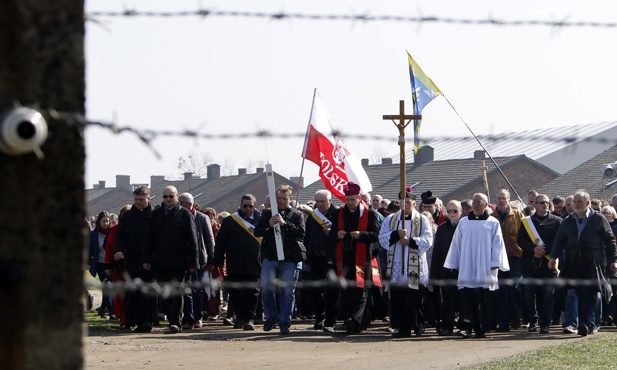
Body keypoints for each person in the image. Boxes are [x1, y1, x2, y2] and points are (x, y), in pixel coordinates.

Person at [549, 191, 617, 336]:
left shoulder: (598, 219)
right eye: (575, 201)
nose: (577, 204)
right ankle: (586, 323)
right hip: (574, 261)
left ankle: (584, 323)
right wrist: (553, 257)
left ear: (587, 203)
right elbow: (559, 240)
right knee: (576, 292)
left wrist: (613, 260)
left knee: (590, 292)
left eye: (580, 201)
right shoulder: (568, 221)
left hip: (593, 261)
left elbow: (610, 240)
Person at [444, 193, 509, 338]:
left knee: (482, 297)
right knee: (466, 296)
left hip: (485, 265)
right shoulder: (464, 222)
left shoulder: (493, 222)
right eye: (474, 201)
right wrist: (453, 262)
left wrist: (495, 262)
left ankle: (481, 328)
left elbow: (498, 243)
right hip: (467, 263)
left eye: (479, 202)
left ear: (486, 205)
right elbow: (456, 243)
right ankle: (466, 327)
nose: (476, 204)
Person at [143, 185, 199, 334]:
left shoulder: (185, 214)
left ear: (177, 197)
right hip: (160, 261)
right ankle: (165, 317)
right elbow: (149, 238)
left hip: (179, 261)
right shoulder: (156, 214)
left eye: (171, 196)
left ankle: (175, 322)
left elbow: (193, 239)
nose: (168, 199)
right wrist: (146, 258)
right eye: (165, 197)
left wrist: (194, 262)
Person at [328, 182, 381, 335]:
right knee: (346, 290)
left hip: (362, 259)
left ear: (359, 198)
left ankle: (355, 320)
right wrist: (337, 234)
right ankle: (349, 320)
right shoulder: (339, 213)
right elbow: (332, 234)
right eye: (348, 199)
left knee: (360, 291)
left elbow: (376, 235)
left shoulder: (369, 214)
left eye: (353, 199)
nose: (350, 202)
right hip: (344, 258)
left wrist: (361, 235)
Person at [379, 187, 433, 338]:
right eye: (402, 203)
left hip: (414, 265)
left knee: (415, 296)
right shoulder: (391, 219)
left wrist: (410, 241)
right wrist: (396, 234)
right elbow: (382, 239)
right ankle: (402, 327)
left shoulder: (422, 220)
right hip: (396, 263)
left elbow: (428, 240)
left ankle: (418, 325)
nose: (405, 205)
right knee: (399, 297)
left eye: (408, 202)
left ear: (414, 204)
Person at [254, 184, 306, 335]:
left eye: (285, 198)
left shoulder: (297, 214)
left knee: (287, 291)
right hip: (271, 257)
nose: (282, 201)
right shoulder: (268, 213)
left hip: (289, 259)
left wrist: (285, 224)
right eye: (279, 198)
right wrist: (269, 225)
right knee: (266, 288)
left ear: (290, 199)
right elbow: (258, 231)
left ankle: (284, 321)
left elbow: (301, 233)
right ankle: (271, 316)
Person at [215, 194, 262, 331]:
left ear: (255, 206)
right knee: (236, 292)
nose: (248, 209)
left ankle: (249, 319)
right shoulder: (231, 221)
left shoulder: (260, 220)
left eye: (251, 206)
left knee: (252, 292)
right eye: (245, 206)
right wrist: (218, 259)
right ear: (240, 205)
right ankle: (240, 317)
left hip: (255, 263)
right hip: (235, 262)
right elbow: (221, 242)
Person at [517, 194, 561, 334]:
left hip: (549, 264)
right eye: (541, 202)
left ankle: (545, 323)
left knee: (548, 296)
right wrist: (533, 248)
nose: (545, 205)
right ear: (535, 205)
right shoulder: (526, 222)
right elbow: (520, 240)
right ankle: (532, 321)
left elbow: (559, 240)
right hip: (530, 264)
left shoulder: (557, 221)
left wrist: (545, 250)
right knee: (529, 295)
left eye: (547, 202)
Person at [303, 189, 339, 332]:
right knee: (315, 291)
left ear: (330, 201)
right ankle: (319, 318)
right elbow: (308, 236)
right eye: (317, 201)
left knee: (332, 291)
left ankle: (330, 320)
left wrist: (332, 234)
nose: (319, 204)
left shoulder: (337, 215)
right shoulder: (313, 216)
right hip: (315, 259)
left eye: (322, 201)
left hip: (332, 260)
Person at [178, 192, 216, 330]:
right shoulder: (178, 217)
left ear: (189, 205)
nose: (179, 206)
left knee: (196, 289)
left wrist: (211, 260)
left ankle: (198, 317)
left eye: (182, 204)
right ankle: (189, 319)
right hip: (182, 260)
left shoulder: (202, 218)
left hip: (199, 260)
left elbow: (209, 240)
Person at [493, 189, 524, 332]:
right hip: (498, 259)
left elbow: (525, 235)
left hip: (515, 257)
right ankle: (502, 321)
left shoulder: (517, 215)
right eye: (499, 198)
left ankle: (517, 318)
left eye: (504, 198)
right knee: (500, 290)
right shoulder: (492, 217)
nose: (501, 201)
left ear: (509, 200)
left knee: (514, 289)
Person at [431, 200, 463, 336]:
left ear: (461, 211)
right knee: (447, 300)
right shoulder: (442, 229)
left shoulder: (465, 227)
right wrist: (434, 275)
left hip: (463, 270)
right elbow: (437, 253)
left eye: (455, 211)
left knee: (463, 300)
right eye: (449, 211)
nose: (452, 214)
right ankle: (447, 326)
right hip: (446, 270)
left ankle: (464, 325)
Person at [104, 204, 132, 328]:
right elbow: (109, 248)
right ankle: (123, 318)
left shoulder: (136, 229)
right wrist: (108, 265)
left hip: (133, 266)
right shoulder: (115, 230)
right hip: (120, 267)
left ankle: (130, 319)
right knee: (120, 294)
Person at [88, 211, 114, 319]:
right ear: (99, 222)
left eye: (107, 221)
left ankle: (104, 308)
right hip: (100, 264)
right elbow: (90, 249)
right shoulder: (94, 234)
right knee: (106, 286)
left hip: (111, 263)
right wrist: (87, 261)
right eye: (103, 221)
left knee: (109, 286)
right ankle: (110, 310)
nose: (105, 223)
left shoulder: (112, 232)